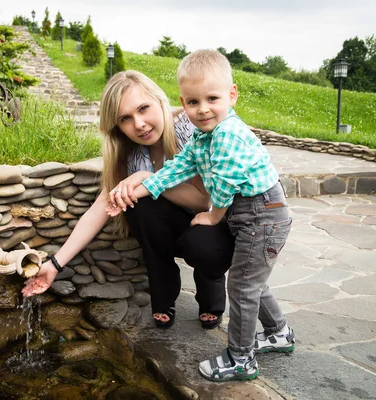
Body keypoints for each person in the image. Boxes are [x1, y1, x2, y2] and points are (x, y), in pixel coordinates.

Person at [106, 50, 294, 382]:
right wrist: (138, 188)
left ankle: (240, 358)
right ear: (182, 101)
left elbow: (221, 185)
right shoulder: (203, 135)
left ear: (232, 94)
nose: (202, 108)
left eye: (212, 98)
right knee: (250, 277)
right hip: (250, 215)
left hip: (262, 215)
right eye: (193, 102)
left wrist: (213, 217)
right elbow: (177, 167)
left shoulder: (226, 135)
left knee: (242, 286)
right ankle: (279, 333)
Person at [22, 70, 235, 330]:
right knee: (140, 205)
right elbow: (100, 208)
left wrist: (148, 179)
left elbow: (204, 202)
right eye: (126, 118)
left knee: (201, 244)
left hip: (213, 222)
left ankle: (211, 296)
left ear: (160, 100)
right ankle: (164, 295)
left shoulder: (190, 128)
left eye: (143, 108)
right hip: (172, 225)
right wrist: (55, 264)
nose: (139, 124)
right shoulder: (130, 152)